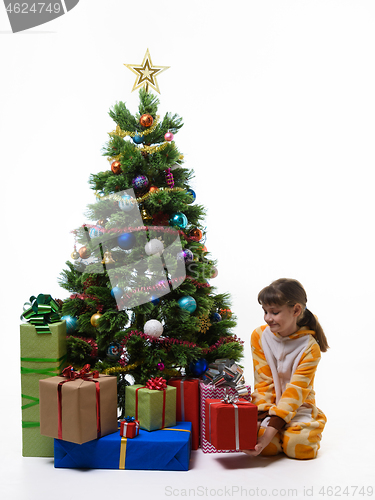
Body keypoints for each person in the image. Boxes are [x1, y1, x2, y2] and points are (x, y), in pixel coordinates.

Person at [242, 278, 328, 460]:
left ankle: (308, 425)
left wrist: (268, 434)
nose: (267, 318)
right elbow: (263, 384)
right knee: (267, 449)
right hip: (270, 408)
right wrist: (259, 421)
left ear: (296, 310)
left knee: (300, 448)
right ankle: (279, 432)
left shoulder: (310, 347)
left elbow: (295, 393)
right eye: (265, 311)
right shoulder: (259, 336)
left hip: (298, 406)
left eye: (274, 312)